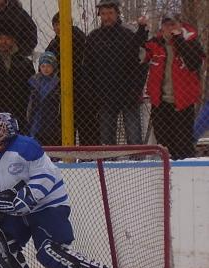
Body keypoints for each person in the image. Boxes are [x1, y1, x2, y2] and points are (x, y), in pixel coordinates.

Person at [0, 112, 124, 268]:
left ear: (11, 129)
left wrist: (25, 196)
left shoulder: (27, 147)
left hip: (48, 206)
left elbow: (47, 175)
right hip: (20, 212)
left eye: (0, 130)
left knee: (49, 252)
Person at [83, 0, 148, 145]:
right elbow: (88, 69)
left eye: (110, 13)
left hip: (128, 94)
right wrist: (92, 94)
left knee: (134, 138)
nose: (107, 17)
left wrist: (135, 90)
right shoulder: (93, 38)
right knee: (107, 141)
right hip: (105, 96)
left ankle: (137, 163)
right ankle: (107, 164)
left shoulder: (128, 36)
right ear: (100, 15)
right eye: (104, 14)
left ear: (117, 14)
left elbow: (141, 65)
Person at [143, 15, 205, 159]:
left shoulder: (190, 41)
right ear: (161, 27)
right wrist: (141, 30)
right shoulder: (155, 43)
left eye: (173, 25)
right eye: (166, 25)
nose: (170, 29)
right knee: (165, 145)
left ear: (179, 26)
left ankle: (184, 175)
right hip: (160, 102)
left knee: (183, 145)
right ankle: (167, 177)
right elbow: (137, 56)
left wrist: (178, 40)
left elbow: (194, 63)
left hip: (183, 102)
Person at [46, 12, 98, 145]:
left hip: (83, 92)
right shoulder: (53, 45)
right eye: (55, 25)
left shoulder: (80, 39)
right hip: (62, 93)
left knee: (87, 127)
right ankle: (67, 156)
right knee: (65, 128)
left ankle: (88, 158)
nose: (58, 28)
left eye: (60, 24)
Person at [27, 51, 61, 146]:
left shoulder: (57, 82)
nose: (46, 69)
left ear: (53, 67)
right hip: (37, 118)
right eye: (43, 66)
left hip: (52, 118)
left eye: (49, 66)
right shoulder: (34, 82)